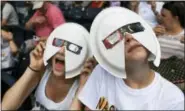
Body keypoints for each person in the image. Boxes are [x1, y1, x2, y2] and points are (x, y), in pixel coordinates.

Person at [72, 7, 184, 110]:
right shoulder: (101, 74)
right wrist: (82, 87)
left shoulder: (172, 99)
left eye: (134, 29)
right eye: (116, 37)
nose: (129, 37)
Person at [1, 23, 97, 110]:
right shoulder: (43, 70)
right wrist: (33, 68)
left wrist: (82, 88)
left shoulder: (83, 85)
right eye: (59, 43)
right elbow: (6, 107)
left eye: (73, 48)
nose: (61, 51)